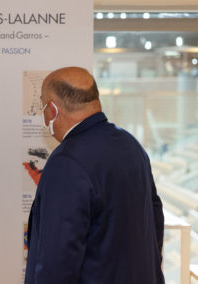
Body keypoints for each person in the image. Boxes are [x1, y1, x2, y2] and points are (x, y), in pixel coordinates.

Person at [25, 67, 165, 284]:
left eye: (43, 106)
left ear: (52, 109)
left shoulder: (67, 162)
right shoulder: (131, 145)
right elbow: (155, 217)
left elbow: (57, 261)